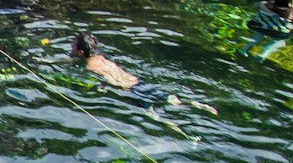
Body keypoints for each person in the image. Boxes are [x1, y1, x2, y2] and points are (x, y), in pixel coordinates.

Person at [70, 33, 217, 114]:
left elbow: (106, 81)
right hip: (138, 82)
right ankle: (196, 104)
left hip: (131, 90)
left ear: (81, 52)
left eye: (74, 45)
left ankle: (182, 133)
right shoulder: (102, 58)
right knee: (172, 101)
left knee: (152, 115)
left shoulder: (90, 67)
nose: (71, 46)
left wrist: (101, 88)